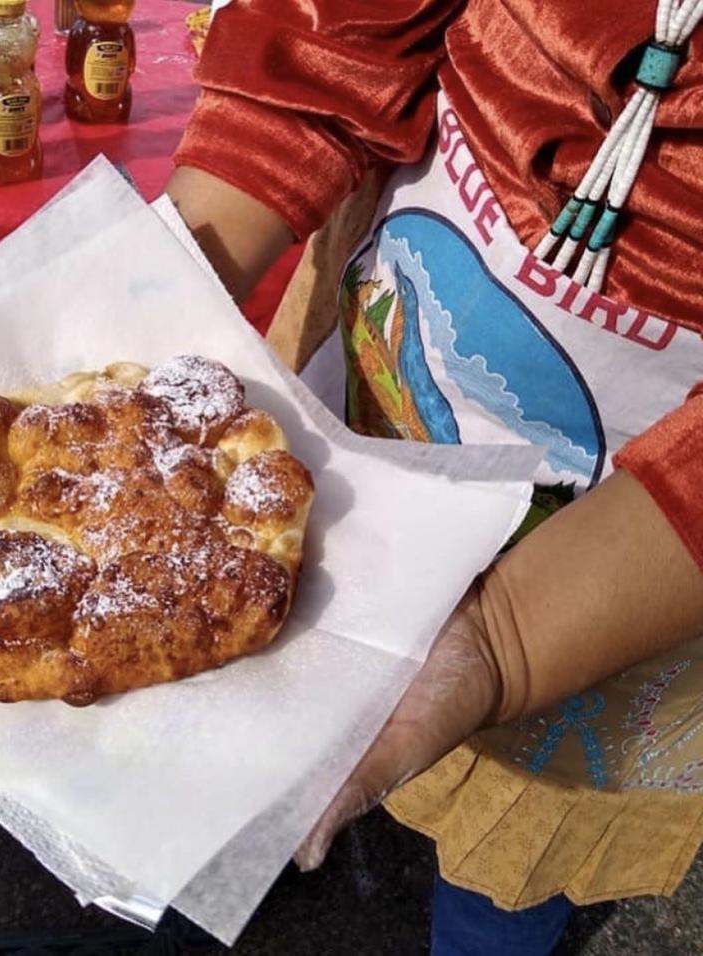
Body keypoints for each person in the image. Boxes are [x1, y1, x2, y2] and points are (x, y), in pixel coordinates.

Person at [164, 1, 703, 953]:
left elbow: (512, 641)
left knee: (512, 857)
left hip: (646, 561)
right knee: (269, 660)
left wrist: (501, 644)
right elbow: (330, 33)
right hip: (397, 332)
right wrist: (166, 279)